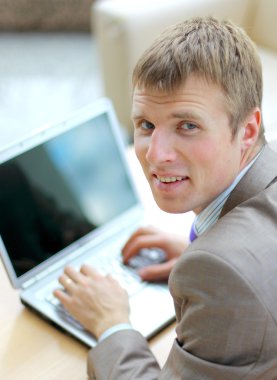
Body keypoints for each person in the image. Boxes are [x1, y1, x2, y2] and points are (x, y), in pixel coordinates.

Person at [54, 16, 277, 379]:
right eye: (146, 125)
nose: (156, 155)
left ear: (247, 130)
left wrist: (112, 323)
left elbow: (240, 274)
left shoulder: (222, 270)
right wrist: (197, 251)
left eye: (187, 126)